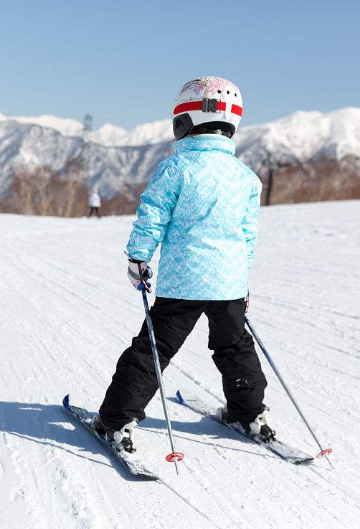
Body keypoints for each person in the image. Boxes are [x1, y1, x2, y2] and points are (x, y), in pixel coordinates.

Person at [93, 76, 269, 453]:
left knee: (153, 349)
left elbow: (152, 215)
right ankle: (248, 412)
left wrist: (138, 258)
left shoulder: (177, 168)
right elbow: (247, 237)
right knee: (235, 348)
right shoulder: (246, 178)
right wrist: (243, 282)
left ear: (183, 120)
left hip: (184, 284)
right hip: (229, 286)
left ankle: (117, 420)